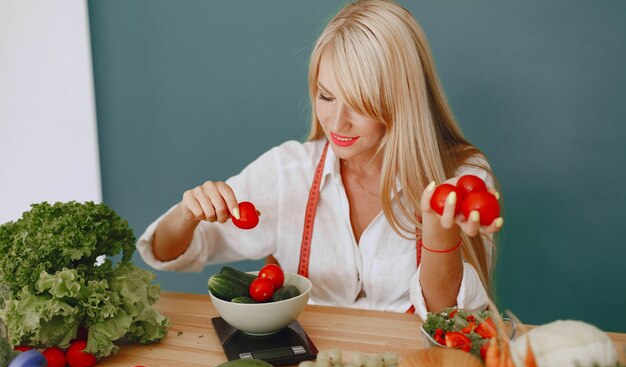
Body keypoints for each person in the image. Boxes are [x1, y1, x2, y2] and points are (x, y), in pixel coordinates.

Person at [137, 0, 503, 319]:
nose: (338, 122)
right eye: (327, 97)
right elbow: (164, 251)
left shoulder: (461, 178)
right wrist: (186, 215)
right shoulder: (287, 172)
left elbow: (446, 318)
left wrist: (438, 229)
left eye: (360, 104)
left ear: (401, 102)